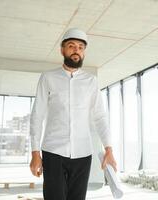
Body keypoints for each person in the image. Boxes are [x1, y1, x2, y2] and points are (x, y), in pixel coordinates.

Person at [29, 28, 117, 200]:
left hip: (83, 154)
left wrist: (109, 148)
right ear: (62, 50)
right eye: (71, 46)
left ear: (84, 52)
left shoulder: (91, 81)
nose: (76, 50)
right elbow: (37, 116)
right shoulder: (48, 78)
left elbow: (100, 116)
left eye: (81, 47)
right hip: (53, 151)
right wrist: (35, 153)